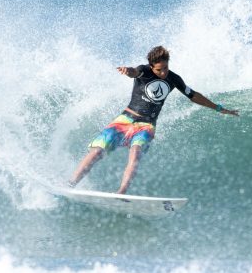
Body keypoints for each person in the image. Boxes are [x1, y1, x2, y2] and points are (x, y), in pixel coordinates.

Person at [68, 46, 239, 194]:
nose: (163, 72)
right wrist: (128, 71)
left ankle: (121, 192)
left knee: (135, 153)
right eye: (159, 69)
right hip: (125, 119)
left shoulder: (174, 79)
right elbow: (134, 71)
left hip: (147, 125)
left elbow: (193, 95)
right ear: (151, 66)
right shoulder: (144, 70)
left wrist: (219, 108)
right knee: (97, 151)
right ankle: (71, 184)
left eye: (165, 67)